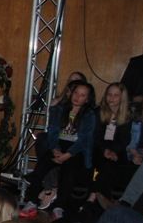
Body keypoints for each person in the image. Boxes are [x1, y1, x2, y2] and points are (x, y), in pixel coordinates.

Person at [26, 80, 97, 215]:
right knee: (41, 167)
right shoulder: (60, 109)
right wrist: (55, 149)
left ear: (87, 99)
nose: (77, 97)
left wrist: (67, 155)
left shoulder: (89, 115)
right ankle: (32, 200)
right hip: (58, 144)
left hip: (76, 149)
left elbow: (84, 140)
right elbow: (52, 131)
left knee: (69, 172)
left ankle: (59, 206)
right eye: (76, 93)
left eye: (82, 95)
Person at [88, 82, 133, 204]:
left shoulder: (127, 115)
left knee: (110, 165)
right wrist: (105, 150)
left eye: (115, 95)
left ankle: (94, 196)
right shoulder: (98, 112)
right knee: (103, 162)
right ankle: (98, 197)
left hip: (117, 150)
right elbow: (95, 136)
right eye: (109, 94)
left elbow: (125, 139)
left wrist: (113, 150)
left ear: (122, 98)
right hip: (99, 147)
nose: (111, 98)